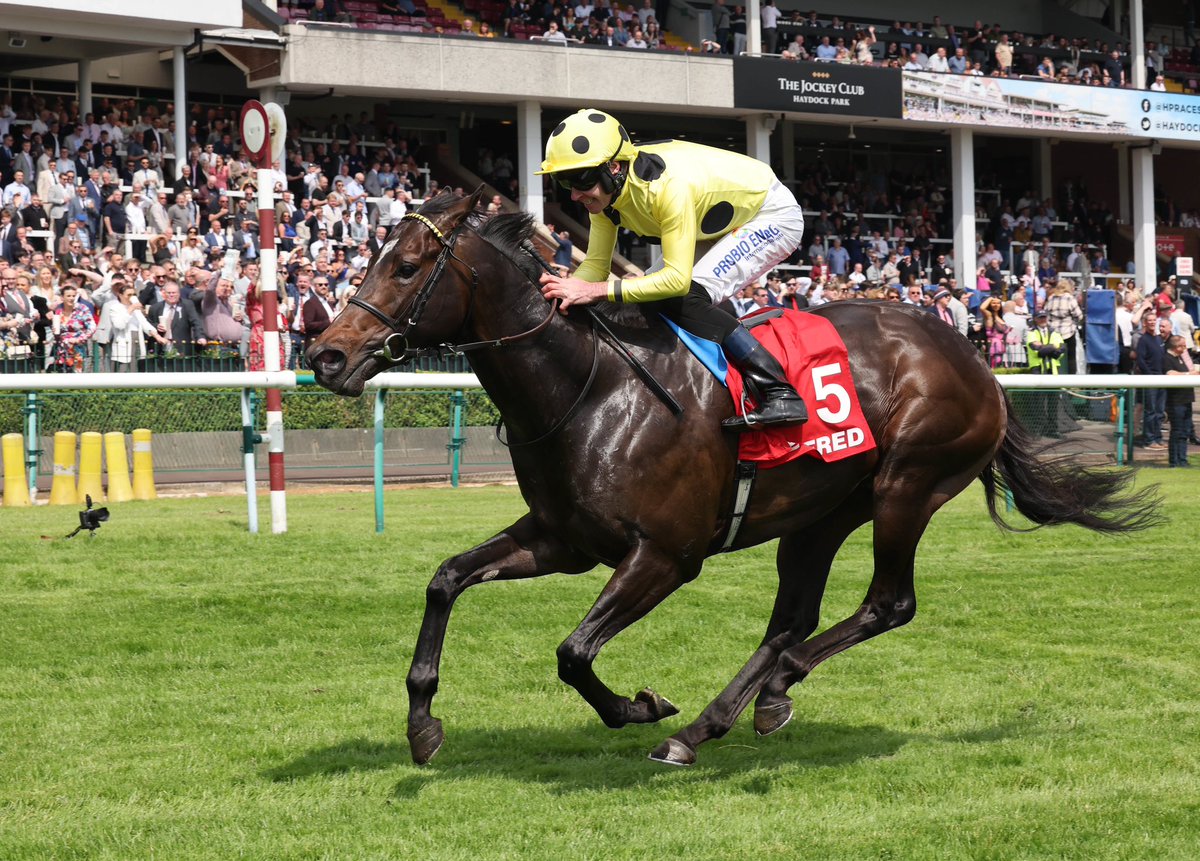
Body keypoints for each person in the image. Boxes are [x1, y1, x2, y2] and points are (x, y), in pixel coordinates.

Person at [535, 108, 807, 429]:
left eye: (580, 180)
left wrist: (593, 290)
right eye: (563, 181)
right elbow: (594, 266)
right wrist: (559, 294)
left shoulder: (667, 187)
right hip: (715, 223)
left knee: (683, 296)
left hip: (768, 214)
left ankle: (779, 391)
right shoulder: (605, 198)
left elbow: (676, 281)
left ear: (614, 168)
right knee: (647, 298)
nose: (574, 193)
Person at [1163, 334, 1199, 467]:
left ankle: (1182, 460)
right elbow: (1170, 374)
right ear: (1176, 346)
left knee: (1185, 432)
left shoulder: (1180, 359)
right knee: (1177, 431)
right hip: (1176, 401)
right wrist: (1189, 374)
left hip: (1186, 400)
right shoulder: (1167, 358)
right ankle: (1174, 461)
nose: (1185, 347)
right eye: (1183, 345)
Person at [1135, 313, 1167, 450]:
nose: (1152, 322)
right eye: (1150, 320)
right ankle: (1148, 440)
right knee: (1150, 411)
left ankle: (1158, 437)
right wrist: (1150, 375)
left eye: (1154, 320)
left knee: (1159, 412)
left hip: (1162, 379)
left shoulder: (1159, 339)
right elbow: (1140, 360)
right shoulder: (1143, 340)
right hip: (1151, 379)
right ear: (1145, 323)